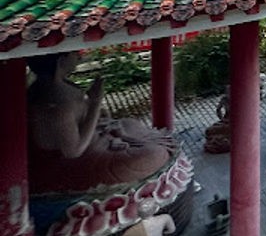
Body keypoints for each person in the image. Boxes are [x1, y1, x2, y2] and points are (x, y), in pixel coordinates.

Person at [27, 52, 173, 192]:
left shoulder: (61, 87)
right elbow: (73, 151)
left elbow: (88, 120)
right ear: (61, 60)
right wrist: (95, 104)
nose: (79, 56)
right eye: (74, 53)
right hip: (78, 163)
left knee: (130, 123)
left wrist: (103, 120)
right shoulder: (55, 104)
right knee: (155, 153)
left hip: (95, 142)